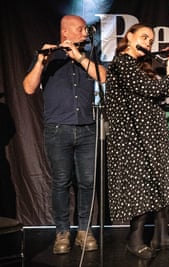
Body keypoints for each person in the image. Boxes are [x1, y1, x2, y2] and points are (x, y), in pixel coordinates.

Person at [22, 15, 106, 254]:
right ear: (66, 32)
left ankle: (84, 230)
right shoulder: (48, 57)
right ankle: (62, 232)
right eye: (81, 28)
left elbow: (102, 77)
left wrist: (79, 57)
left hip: (87, 129)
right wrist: (40, 61)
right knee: (61, 182)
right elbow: (28, 88)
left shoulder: (87, 55)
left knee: (88, 182)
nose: (85, 32)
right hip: (58, 129)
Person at [105, 23, 169, 259]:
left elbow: (153, 94)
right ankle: (134, 240)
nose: (148, 43)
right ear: (129, 37)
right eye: (143, 37)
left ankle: (161, 237)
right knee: (140, 189)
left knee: (162, 183)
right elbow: (148, 89)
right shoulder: (122, 63)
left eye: (151, 40)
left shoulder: (138, 65)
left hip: (151, 135)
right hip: (133, 139)